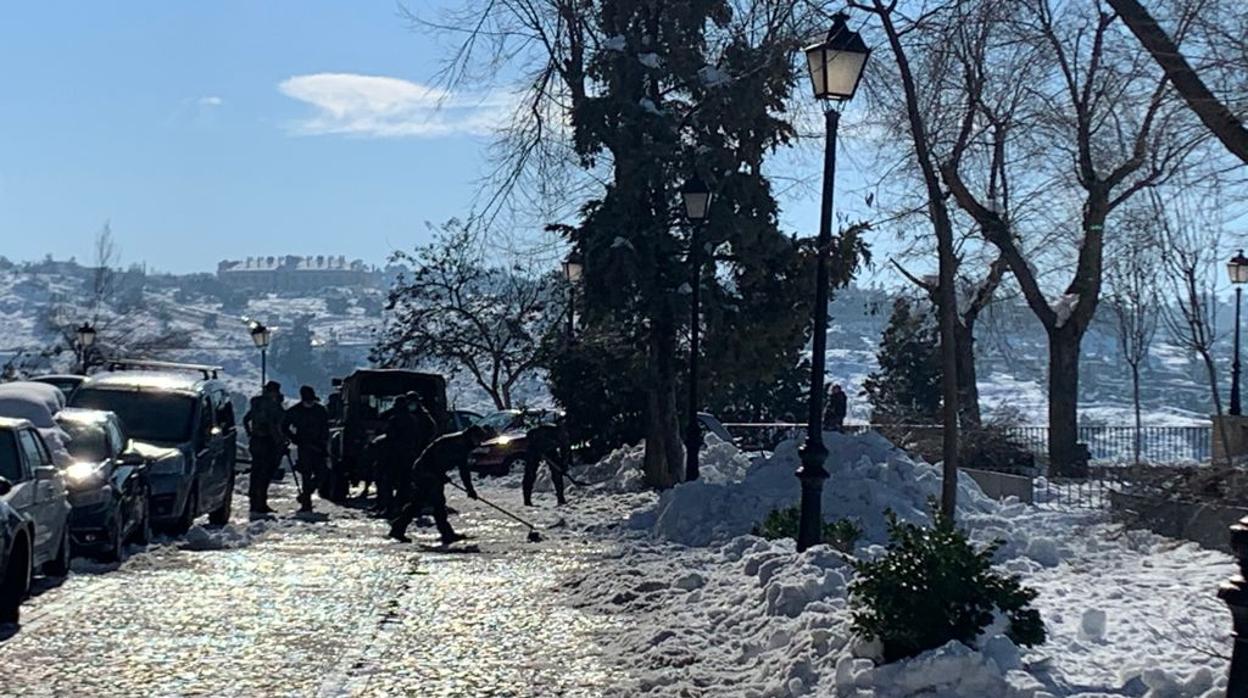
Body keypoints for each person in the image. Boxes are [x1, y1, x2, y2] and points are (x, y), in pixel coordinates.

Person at [388, 426, 489, 545]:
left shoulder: (464, 446)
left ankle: (398, 528)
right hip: (425, 472)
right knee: (437, 502)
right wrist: (440, 475)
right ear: (472, 436)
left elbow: (464, 470)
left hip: (433, 473)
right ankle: (446, 534)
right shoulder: (454, 443)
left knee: (419, 502)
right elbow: (434, 460)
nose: (479, 443)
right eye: (478, 439)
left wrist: (470, 489)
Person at [284, 385, 331, 513]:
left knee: (322, 473)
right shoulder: (295, 410)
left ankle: (305, 495)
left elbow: (326, 428)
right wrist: (293, 438)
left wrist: (324, 444)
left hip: (319, 447)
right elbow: (284, 425)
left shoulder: (320, 410)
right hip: (304, 447)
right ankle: (306, 504)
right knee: (306, 475)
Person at [243, 381, 286, 515]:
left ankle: (255, 501)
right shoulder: (272, 406)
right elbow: (274, 425)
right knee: (265, 473)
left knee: (257, 472)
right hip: (268, 442)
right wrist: (280, 441)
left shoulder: (256, 404)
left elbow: (246, 419)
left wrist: (250, 433)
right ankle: (260, 502)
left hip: (257, 441)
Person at [522, 422, 569, 507]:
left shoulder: (563, 438)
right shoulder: (546, 432)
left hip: (550, 450)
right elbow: (530, 436)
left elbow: (565, 451)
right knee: (530, 473)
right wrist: (538, 451)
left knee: (557, 473)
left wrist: (563, 466)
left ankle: (561, 498)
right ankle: (527, 500)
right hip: (534, 448)